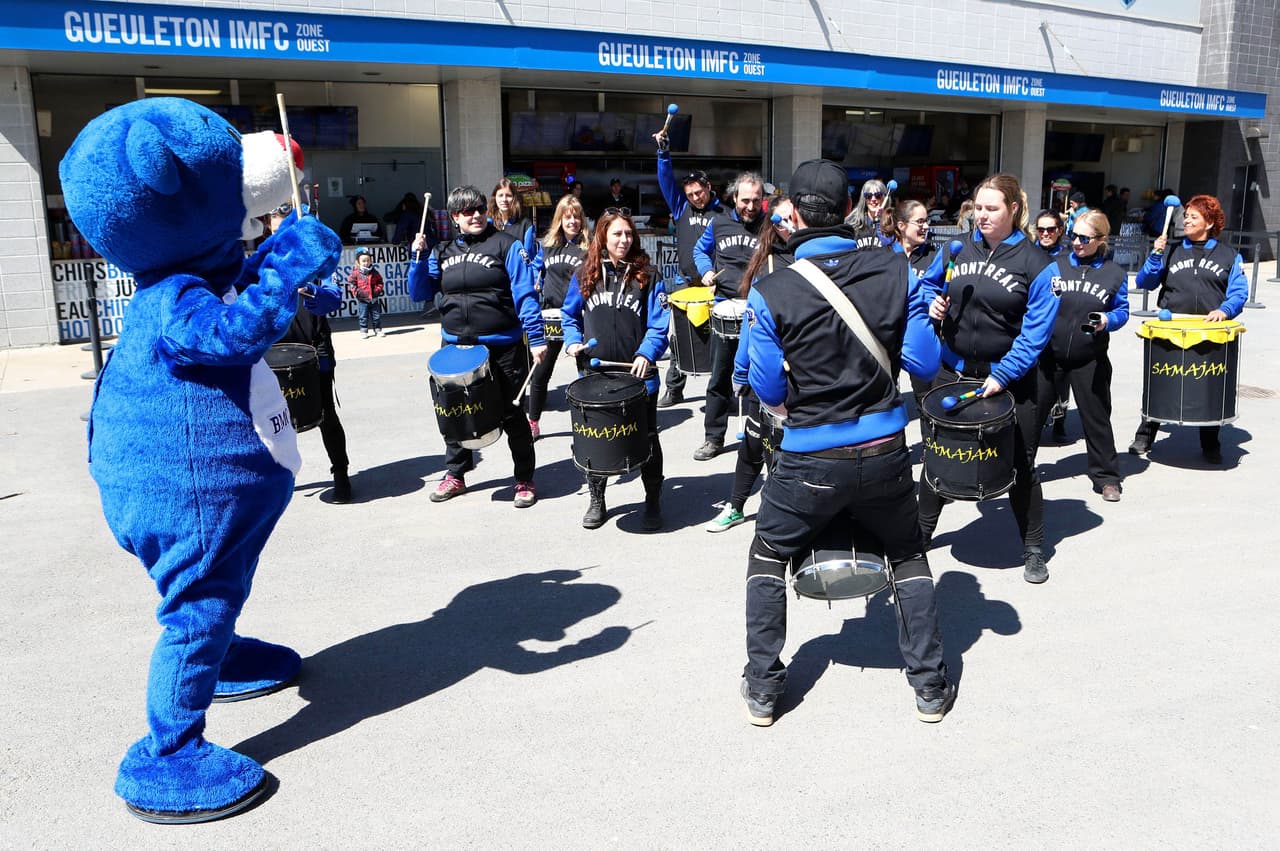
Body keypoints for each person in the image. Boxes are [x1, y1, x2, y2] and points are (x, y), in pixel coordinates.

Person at [739, 159, 952, 727]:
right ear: (850, 209)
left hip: (809, 455)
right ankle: (929, 685)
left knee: (767, 554)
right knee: (907, 554)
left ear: (795, 213)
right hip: (884, 449)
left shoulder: (772, 289)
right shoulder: (897, 269)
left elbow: (765, 386)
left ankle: (763, 688)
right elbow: (925, 361)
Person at [918, 173, 1060, 584]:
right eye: (978, 207)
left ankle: (1033, 547)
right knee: (939, 455)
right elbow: (925, 286)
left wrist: (1004, 374)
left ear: (1014, 209)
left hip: (1011, 383)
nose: (981, 215)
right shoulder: (956, 248)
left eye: (991, 208)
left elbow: (1036, 334)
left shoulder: (1037, 264)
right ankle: (919, 536)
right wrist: (933, 304)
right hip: (954, 372)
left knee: (1021, 464)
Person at [409, 185, 547, 506]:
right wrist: (417, 257)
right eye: (467, 211)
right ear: (455, 216)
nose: (476, 215)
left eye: (480, 209)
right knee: (455, 413)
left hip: (504, 347)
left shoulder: (506, 245)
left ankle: (524, 479)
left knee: (513, 415)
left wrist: (537, 338)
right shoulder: (441, 251)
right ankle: (455, 475)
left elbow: (525, 293)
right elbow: (419, 292)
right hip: (457, 349)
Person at [562, 209, 669, 531]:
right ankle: (597, 498)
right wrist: (572, 343)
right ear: (602, 237)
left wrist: (646, 353)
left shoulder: (648, 274)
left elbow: (659, 324)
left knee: (648, 439)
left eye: (628, 234)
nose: (623, 240)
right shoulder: (585, 272)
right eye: (616, 234)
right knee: (595, 440)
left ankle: (652, 501)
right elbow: (570, 317)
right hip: (594, 376)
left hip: (638, 377)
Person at [1128, 194, 1247, 463]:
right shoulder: (1170, 249)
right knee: (1160, 384)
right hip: (1171, 328)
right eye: (1186, 215)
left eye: (1193, 216)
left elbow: (1238, 292)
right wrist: (1156, 254)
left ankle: (1210, 443)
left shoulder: (1229, 255)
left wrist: (1224, 311)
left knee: (1208, 386)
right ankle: (1145, 435)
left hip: (1209, 330)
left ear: (1208, 223)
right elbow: (1145, 282)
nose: (1187, 220)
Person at [705, 195, 796, 532]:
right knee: (753, 440)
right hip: (767, 368)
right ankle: (736, 505)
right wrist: (741, 370)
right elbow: (751, 323)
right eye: (780, 220)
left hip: (799, 373)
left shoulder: (808, 260)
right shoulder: (766, 262)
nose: (787, 226)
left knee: (783, 451)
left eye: (792, 219)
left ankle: (780, 513)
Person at [255, 202, 353, 503]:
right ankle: (274, 479)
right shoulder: (265, 259)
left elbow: (333, 296)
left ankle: (341, 475)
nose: (278, 220)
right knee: (267, 417)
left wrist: (314, 294)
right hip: (273, 351)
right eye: (274, 214)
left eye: (284, 213)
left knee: (325, 413)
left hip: (313, 347)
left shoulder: (316, 254)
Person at [1036, 209, 1129, 501]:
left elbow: (1122, 310)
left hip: (1090, 357)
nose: (1076, 242)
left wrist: (1107, 321)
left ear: (1101, 240)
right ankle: (1015, 468)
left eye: (1085, 238)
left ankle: (1107, 477)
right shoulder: (1055, 265)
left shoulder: (1114, 273)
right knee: (1030, 415)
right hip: (1050, 355)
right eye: (1074, 235)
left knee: (1097, 417)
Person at [690, 171, 768, 460]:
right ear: (734, 197)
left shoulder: (768, 227)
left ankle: (758, 436)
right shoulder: (718, 222)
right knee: (719, 378)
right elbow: (700, 251)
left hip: (757, 312)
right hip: (724, 307)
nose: (750, 206)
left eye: (756, 200)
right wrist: (706, 271)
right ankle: (713, 437)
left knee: (758, 378)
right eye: (745, 200)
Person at [653, 133, 726, 408]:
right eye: (691, 194)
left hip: (715, 284)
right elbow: (665, 180)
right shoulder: (681, 206)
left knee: (719, 340)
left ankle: (720, 392)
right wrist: (663, 153)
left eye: (700, 192)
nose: (696, 197)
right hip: (686, 283)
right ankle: (674, 389)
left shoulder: (724, 214)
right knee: (679, 338)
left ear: (708, 187)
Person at [527, 194, 589, 439]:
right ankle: (533, 421)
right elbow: (537, 270)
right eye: (567, 217)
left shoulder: (589, 246)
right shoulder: (548, 246)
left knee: (585, 372)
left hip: (580, 317)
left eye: (576, 216)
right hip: (551, 315)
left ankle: (591, 420)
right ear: (560, 220)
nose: (572, 221)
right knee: (541, 373)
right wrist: (534, 281)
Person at [1033, 210, 1069, 439]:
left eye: (1051, 229)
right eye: (1041, 229)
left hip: (1060, 325)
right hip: (1035, 325)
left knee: (1060, 378)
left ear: (1060, 231)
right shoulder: (1030, 254)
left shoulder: (1066, 257)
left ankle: (1059, 422)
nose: (1046, 233)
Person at [490, 178, 543, 275]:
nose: (504, 199)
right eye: (500, 195)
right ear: (495, 198)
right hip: (493, 277)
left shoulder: (525, 224)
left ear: (514, 198)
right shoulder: (489, 223)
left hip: (516, 276)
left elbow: (529, 258)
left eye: (508, 195)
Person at [346, 247, 385, 338]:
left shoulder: (374, 272)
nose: (366, 263)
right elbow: (351, 283)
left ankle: (378, 330)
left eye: (368, 260)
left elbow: (380, 282)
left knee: (376, 316)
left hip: (374, 299)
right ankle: (364, 330)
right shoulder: (355, 273)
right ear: (358, 262)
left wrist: (377, 290)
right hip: (362, 299)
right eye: (363, 261)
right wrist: (358, 293)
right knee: (363, 316)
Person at [844, 178, 887, 248]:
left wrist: (879, 221)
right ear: (864, 199)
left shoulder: (891, 223)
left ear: (884, 198)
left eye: (878, 195)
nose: (873, 199)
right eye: (869, 196)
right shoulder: (853, 223)